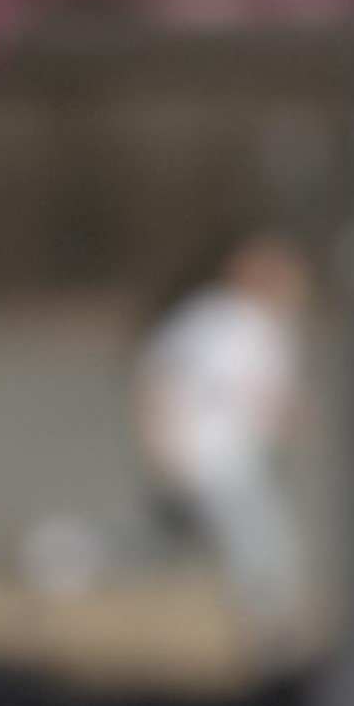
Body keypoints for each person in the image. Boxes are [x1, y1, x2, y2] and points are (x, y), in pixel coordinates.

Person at [131, 224, 315, 653]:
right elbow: (158, 376)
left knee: (168, 543)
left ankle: (56, 556)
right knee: (264, 543)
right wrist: (160, 446)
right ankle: (275, 638)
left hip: (237, 459)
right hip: (207, 458)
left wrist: (292, 420)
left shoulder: (267, 324)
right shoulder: (215, 318)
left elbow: (262, 394)